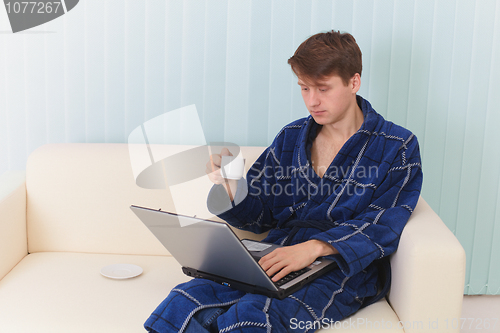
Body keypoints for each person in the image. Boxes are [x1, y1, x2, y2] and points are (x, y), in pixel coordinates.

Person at [144, 30, 423, 333]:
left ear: (353, 82)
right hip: (280, 250)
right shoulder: (291, 137)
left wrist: (316, 247)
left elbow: (384, 224)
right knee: (184, 299)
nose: (312, 101)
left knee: (255, 314)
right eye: (304, 88)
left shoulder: (398, 145)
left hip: (344, 268)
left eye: (323, 88)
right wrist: (232, 185)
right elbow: (260, 214)